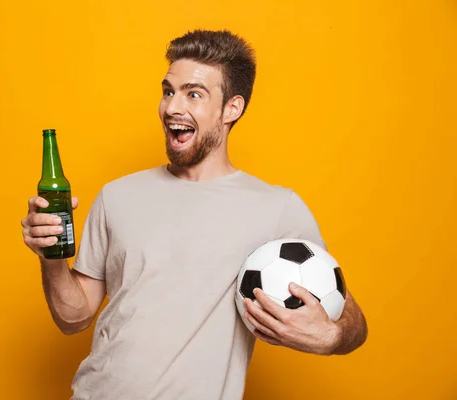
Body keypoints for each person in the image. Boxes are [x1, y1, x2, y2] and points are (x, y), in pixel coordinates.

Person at [21, 29, 368, 400]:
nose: (172, 107)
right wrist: (51, 260)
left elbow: (352, 321)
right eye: (168, 91)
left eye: (193, 94)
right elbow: (73, 318)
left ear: (231, 108)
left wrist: (331, 336)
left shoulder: (276, 208)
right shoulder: (117, 196)